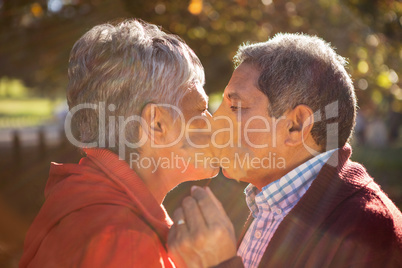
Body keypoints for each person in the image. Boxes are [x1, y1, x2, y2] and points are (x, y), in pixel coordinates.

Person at [167, 33, 402, 267]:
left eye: (235, 106)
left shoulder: (369, 229)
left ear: (295, 126)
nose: (214, 121)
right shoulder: (268, 204)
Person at [19, 19, 219, 267]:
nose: (213, 123)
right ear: (156, 124)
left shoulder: (84, 199)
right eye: (201, 110)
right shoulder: (125, 240)